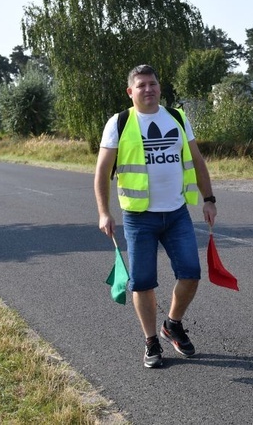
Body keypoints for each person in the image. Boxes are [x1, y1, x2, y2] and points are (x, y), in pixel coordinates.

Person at [94, 64, 217, 368]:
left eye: (152, 84)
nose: (148, 89)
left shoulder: (177, 118)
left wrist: (209, 199)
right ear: (130, 91)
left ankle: (172, 324)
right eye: (141, 85)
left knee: (191, 273)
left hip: (176, 213)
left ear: (160, 87)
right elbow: (101, 173)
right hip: (138, 218)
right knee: (143, 282)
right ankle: (151, 341)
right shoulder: (119, 123)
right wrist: (103, 212)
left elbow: (197, 161)